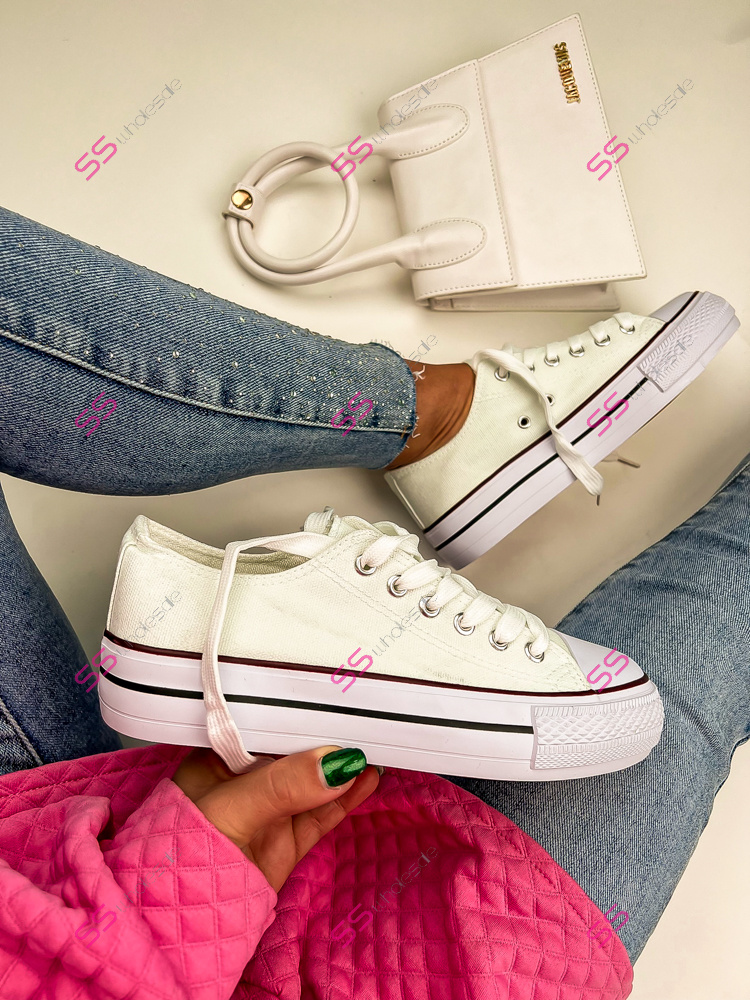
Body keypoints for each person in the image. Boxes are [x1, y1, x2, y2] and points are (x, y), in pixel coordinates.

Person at [0, 205, 745, 997]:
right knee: (716, 594)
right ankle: (446, 427)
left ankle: (443, 421)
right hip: (421, 959)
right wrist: (186, 885)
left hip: (39, 867)